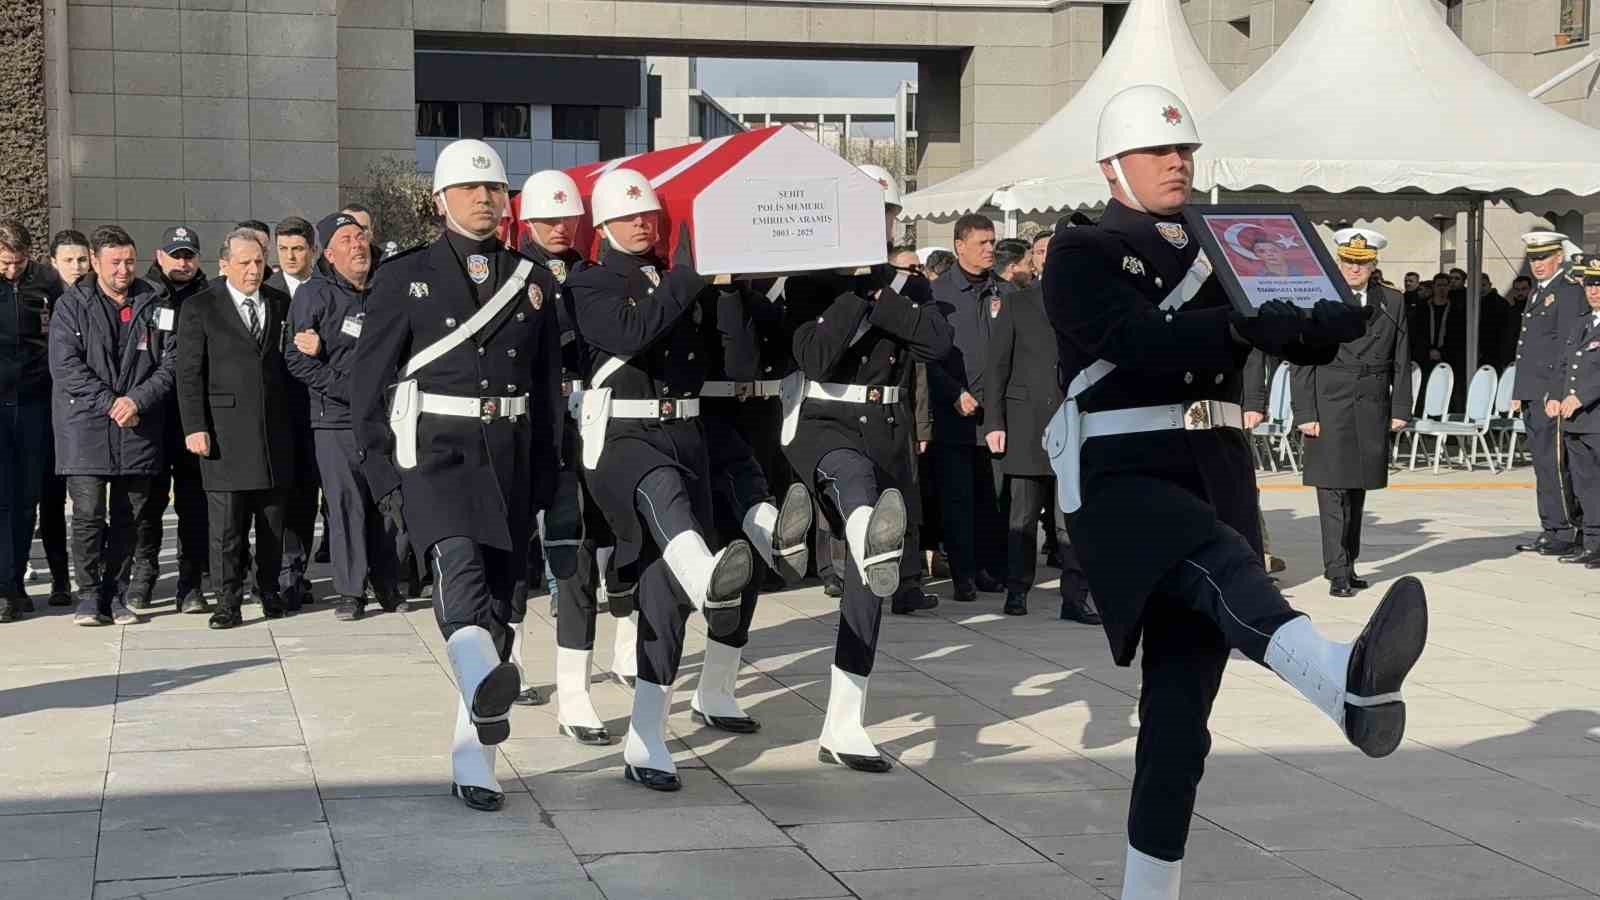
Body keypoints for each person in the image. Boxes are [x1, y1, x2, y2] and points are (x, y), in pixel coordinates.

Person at [1042, 84, 1427, 900]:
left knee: (1180, 725)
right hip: (1125, 473)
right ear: (1113, 166)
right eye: (1159, 151)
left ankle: (1149, 892)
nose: (1178, 162)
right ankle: (1342, 680)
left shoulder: (1221, 244)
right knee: (1217, 561)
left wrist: (1325, 326)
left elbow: (1274, 326)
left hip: (1215, 466)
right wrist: (1241, 325)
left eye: (1185, 151)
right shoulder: (1081, 252)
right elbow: (1132, 340)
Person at [351, 139, 562, 812]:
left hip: (508, 455)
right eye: (470, 189)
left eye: (495, 189)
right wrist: (385, 477)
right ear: (440, 201)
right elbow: (367, 387)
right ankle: (479, 676)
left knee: (502, 605)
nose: (484, 198)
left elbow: (547, 388)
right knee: (457, 569)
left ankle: (475, 758)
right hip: (434, 452)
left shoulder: (531, 279)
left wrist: (551, 478)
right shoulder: (401, 276)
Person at [566, 168, 757, 792]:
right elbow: (629, 332)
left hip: (687, 433)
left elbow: (733, 363)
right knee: (659, 490)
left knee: (663, 601)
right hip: (622, 435)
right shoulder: (589, 282)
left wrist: (726, 291)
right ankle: (706, 573)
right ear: (602, 227)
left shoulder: (683, 281)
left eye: (648, 215)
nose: (642, 224)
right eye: (628, 217)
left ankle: (647, 736)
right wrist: (687, 277)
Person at [780, 177, 953, 773]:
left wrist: (880, 291)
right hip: (825, 422)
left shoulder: (908, 284)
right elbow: (814, 357)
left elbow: (937, 341)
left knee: (866, 585)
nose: (874, 223)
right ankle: (859, 527)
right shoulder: (811, 281)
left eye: (881, 214)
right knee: (856, 500)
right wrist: (855, 288)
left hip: (886, 428)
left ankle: (844, 720)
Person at [510, 168, 618, 735]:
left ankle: (575, 695)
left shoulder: (593, 276)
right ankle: (511, 662)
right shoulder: (508, 276)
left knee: (575, 556)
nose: (559, 228)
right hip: (522, 430)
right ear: (527, 220)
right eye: (548, 219)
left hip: (584, 429)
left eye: (567, 218)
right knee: (509, 555)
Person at [49, 225, 174, 627]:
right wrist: (111, 403)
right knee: (87, 513)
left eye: (129, 261)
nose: (123, 269)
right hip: (85, 426)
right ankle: (87, 595)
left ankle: (115, 592)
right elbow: (66, 366)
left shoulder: (155, 300)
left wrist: (136, 401)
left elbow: (171, 362)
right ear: (97, 262)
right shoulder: (72, 305)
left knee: (130, 515)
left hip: (138, 426)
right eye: (115, 262)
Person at [285, 212, 407, 621]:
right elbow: (296, 360)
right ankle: (351, 592)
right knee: (346, 505)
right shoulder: (313, 294)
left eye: (361, 237)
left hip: (386, 416)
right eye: (346, 240)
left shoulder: (387, 287)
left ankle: (389, 583)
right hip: (335, 419)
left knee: (386, 500)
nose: (357, 245)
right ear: (329, 253)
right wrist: (349, 390)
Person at [178, 229, 300, 628]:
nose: (253, 270)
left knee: (271, 524)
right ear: (224, 264)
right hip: (224, 433)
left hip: (273, 432)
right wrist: (195, 426)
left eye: (259, 262)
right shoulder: (201, 307)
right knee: (227, 527)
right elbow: (189, 373)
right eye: (244, 262)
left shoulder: (280, 303)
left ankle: (269, 591)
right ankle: (226, 601)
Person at [1291, 229, 1412, 598]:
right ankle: (1337, 571)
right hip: (1330, 400)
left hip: (1371, 402)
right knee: (1331, 489)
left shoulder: (1392, 301)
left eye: (1361, 262)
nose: (1353, 268)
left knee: (1357, 488)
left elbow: (1403, 357)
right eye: (1347, 261)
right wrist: (1305, 410)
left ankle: (1351, 562)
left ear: (1374, 264)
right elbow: (1301, 358)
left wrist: (1401, 407)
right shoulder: (1318, 297)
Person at [983, 268, 1095, 621]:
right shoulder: (1017, 303)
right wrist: (994, 422)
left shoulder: (1089, 302)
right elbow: (996, 366)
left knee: (1071, 519)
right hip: (1025, 424)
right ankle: (1016, 591)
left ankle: (1075, 599)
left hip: (1074, 423)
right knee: (1023, 517)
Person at [928, 214, 1008, 602]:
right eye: (982, 242)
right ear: (960, 245)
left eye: (993, 242)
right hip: (955, 416)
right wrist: (952, 392)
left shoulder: (1003, 292)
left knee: (991, 498)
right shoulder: (937, 294)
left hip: (995, 417)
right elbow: (926, 358)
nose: (990, 249)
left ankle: (986, 569)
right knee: (958, 499)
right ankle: (961, 574)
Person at [137, 225, 211, 613]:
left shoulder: (210, 295)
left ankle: (191, 583)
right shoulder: (143, 294)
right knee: (147, 503)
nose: (183, 262)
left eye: (189, 255)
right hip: (152, 415)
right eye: (175, 255)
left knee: (193, 503)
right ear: (160, 255)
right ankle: (144, 577)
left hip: (193, 415)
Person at [1, 220, 64, 622]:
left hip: (33, 402)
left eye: (18, 263)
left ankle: (15, 582)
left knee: (26, 498)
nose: (12, 271)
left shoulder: (46, 283)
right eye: (5, 263)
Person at [1513, 232, 1590, 556]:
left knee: (1556, 464)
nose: (1538, 264)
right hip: (1534, 392)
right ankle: (1551, 527)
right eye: (1533, 258)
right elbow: (1527, 348)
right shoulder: (1537, 293)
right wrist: (1520, 391)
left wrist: (1557, 392)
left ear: (1559, 256)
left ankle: (1566, 529)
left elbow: (1566, 347)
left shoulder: (1569, 292)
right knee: (1543, 465)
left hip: (1551, 395)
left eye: (1544, 257)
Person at [32, 231, 90, 610]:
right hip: (45, 408)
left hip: (86, 412)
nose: (76, 267)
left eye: (81, 259)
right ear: (53, 261)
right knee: (51, 500)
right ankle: (58, 579)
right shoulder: (40, 297)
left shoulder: (96, 296)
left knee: (89, 504)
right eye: (68, 260)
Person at [265, 218, 321, 612]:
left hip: (317, 408)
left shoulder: (326, 289)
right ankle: (282, 574)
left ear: (312, 251)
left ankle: (297, 574)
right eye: (283, 249)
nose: (290, 257)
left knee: (306, 497)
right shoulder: (266, 291)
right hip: (275, 409)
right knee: (278, 496)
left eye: (298, 249)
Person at [1556, 257, 1600, 566]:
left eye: (1599, 284)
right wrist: (1554, 396)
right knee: (1582, 483)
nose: (1594, 290)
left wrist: (1582, 397)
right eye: (1589, 283)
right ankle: (1591, 540)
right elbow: (1565, 366)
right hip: (1575, 421)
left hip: (1595, 416)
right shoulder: (1582, 323)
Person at [1410, 272, 1467, 412]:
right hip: (1424, 358)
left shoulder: (1457, 310)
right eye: (1438, 285)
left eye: (1445, 285)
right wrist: (1428, 350)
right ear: (1433, 287)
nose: (1442, 289)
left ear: (1449, 288)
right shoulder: (1422, 308)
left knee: (1447, 392)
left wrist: (1442, 352)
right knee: (1424, 391)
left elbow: (1458, 336)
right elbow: (1416, 334)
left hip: (1448, 358)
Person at [1491, 275, 1532, 372]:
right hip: (1510, 361)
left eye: (1524, 289)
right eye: (1517, 289)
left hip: (1530, 359)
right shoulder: (1508, 311)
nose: (1520, 292)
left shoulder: (1536, 311)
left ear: (1530, 290)